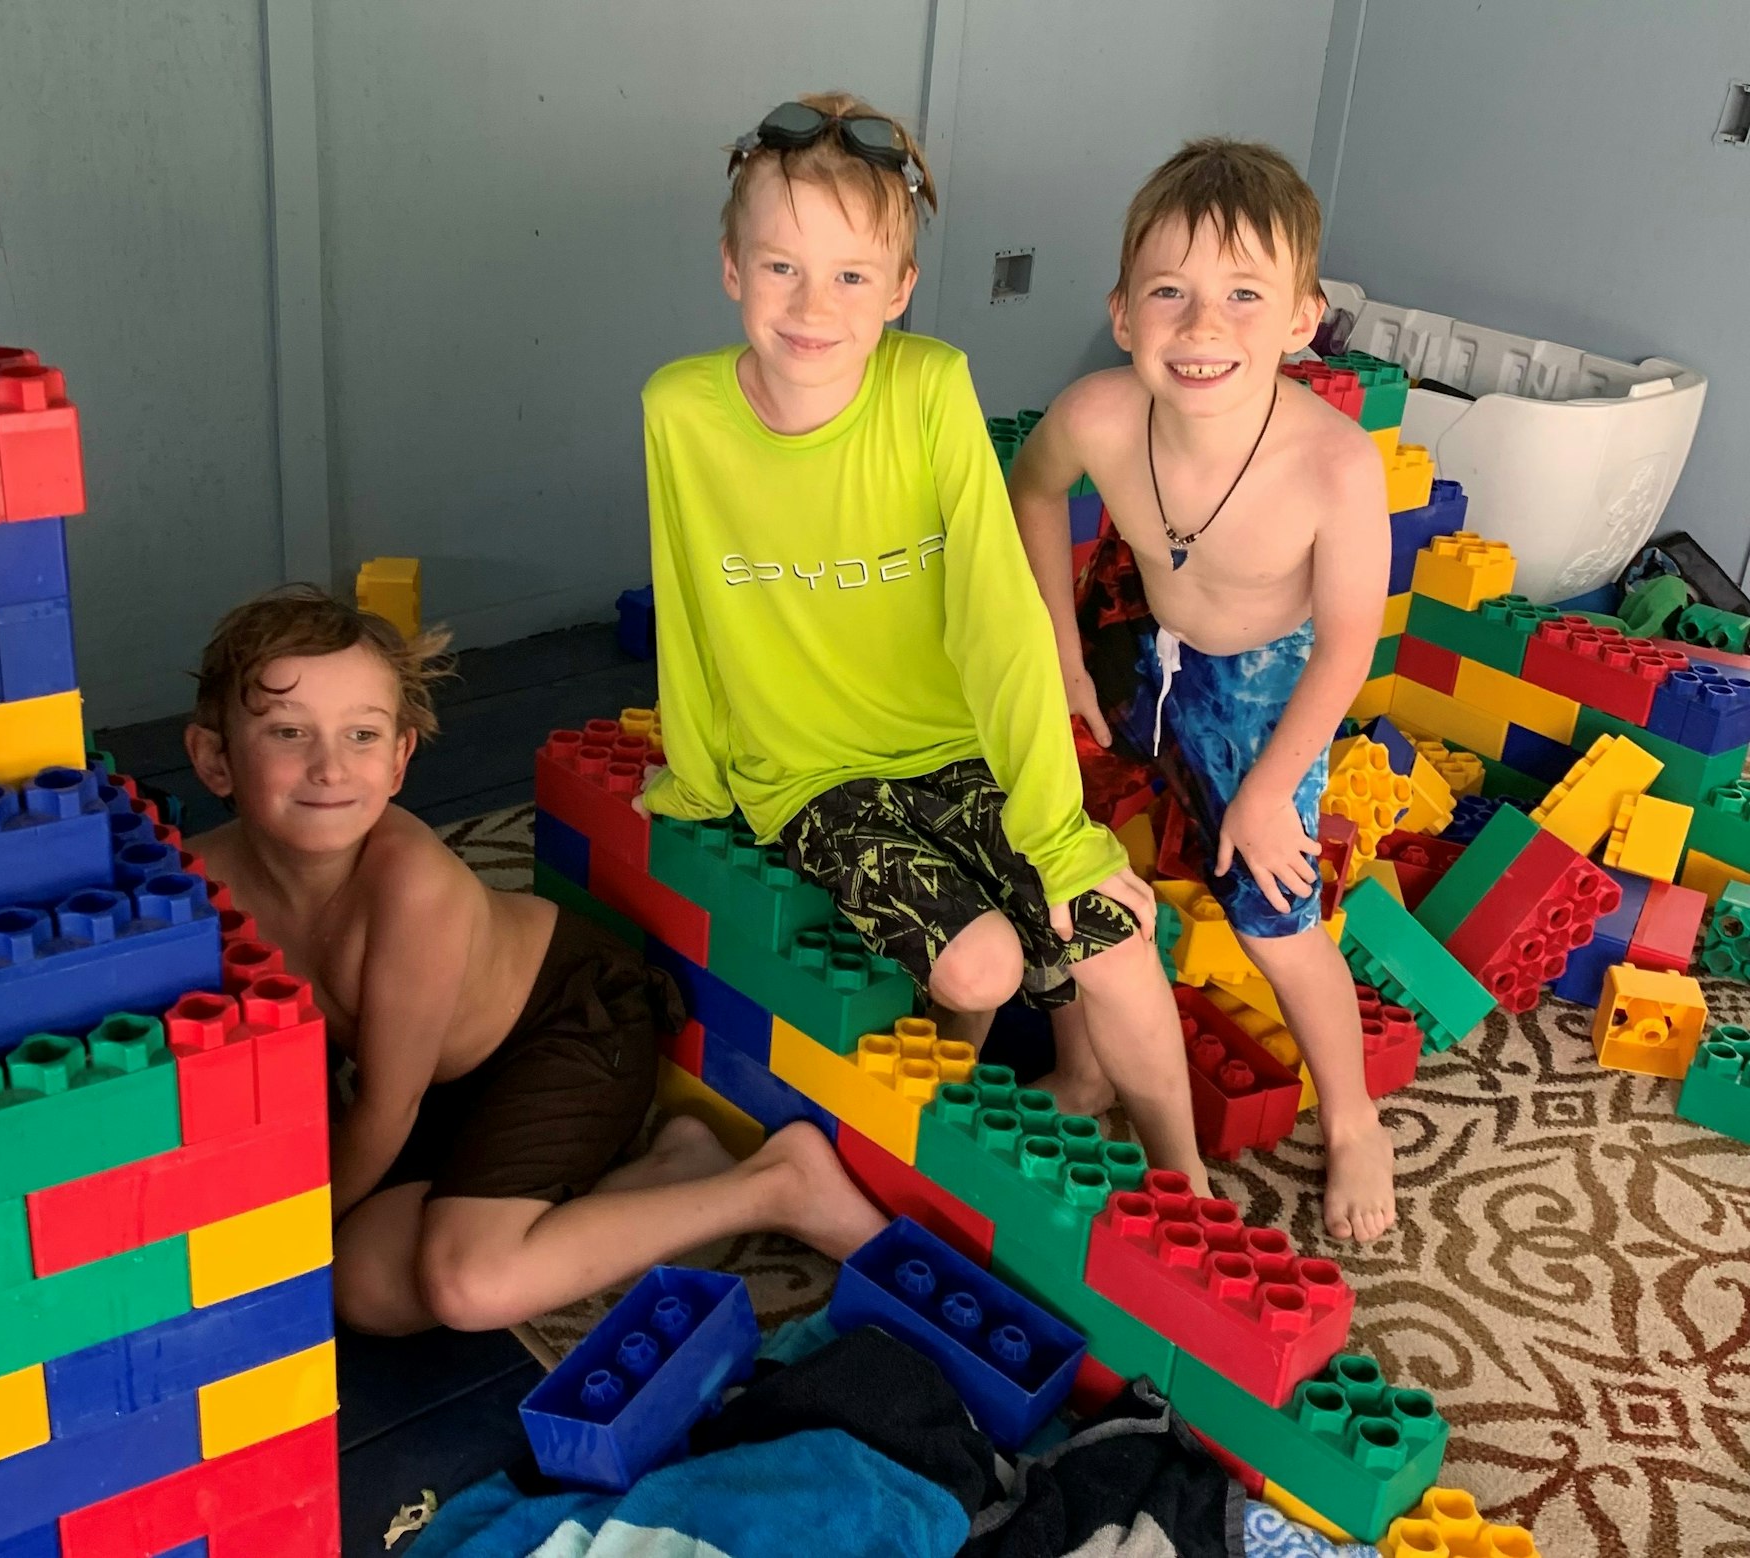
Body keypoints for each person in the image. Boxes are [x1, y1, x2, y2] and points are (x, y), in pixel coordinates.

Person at [640, 92, 1206, 1189]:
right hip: (809, 771)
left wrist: (1055, 832)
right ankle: (927, 1149)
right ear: (728, 266)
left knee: (1109, 926)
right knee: (983, 960)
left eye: (851, 275)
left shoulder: (930, 386)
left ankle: (1184, 1185)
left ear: (897, 290)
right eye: (779, 267)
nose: (813, 305)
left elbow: (996, 619)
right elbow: (689, 594)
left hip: (955, 743)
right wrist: (696, 782)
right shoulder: (679, 409)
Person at [184, 586, 888, 1335]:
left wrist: (274, 1245)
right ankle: (668, 1172)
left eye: (361, 736)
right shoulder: (199, 883)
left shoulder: (410, 891)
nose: (329, 767)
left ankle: (773, 1185)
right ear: (214, 758)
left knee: (469, 1286)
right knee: (365, 1287)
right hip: (448, 1084)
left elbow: (386, 1109)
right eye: (289, 734)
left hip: (570, 1026)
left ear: (398, 761)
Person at [1008, 138, 1396, 1242]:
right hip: (1128, 625)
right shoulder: (1094, 413)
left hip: (1265, 681)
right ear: (1121, 311)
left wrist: (1272, 787)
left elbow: (1346, 647)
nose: (1202, 326)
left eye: (1240, 296)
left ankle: (1354, 1116)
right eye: (1168, 294)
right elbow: (1032, 491)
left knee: (1274, 915)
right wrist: (1061, 650)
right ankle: (1085, 1068)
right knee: (1072, 843)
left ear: (1298, 320)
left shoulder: (1333, 467)